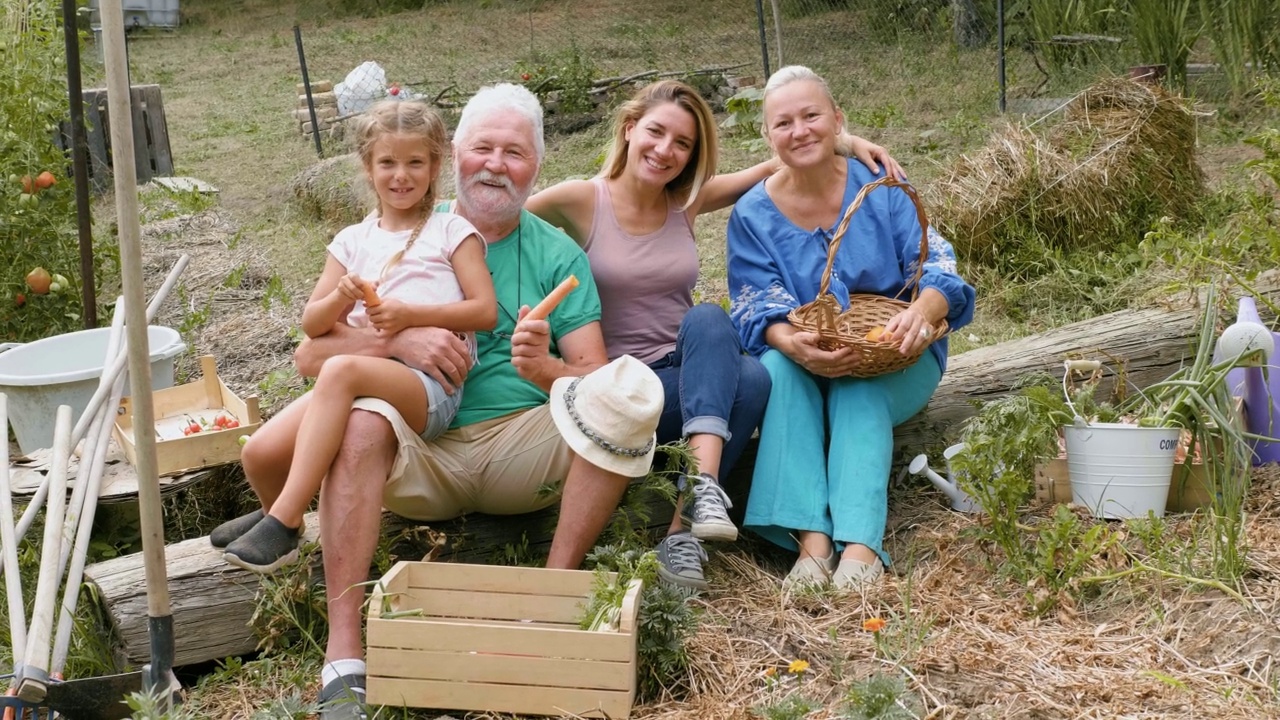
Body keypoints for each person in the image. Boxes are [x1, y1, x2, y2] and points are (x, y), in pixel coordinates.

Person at [213, 84, 655, 720]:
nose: (496, 164)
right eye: (483, 147)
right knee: (364, 418)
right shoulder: (409, 229)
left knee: (627, 397)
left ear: (537, 164)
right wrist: (402, 340)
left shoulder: (558, 255)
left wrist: (544, 367)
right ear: (456, 156)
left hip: (520, 445)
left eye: (515, 151)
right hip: (417, 449)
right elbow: (313, 357)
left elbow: (592, 378)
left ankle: (554, 596)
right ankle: (344, 654)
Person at [525, 79, 904, 590]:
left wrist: (845, 141)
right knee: (736, 358)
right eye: (656, 133)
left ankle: (683, 533)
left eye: (682, 144)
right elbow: (502, 224)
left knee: (730, 347)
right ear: (630, 127)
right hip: (620, 395)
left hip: (686, 382)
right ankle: (703, 487)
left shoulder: (684, 201)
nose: (665, 151)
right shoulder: (581, 199)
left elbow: (780, 161)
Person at [219, 100, 497, 574]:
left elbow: (484, 311)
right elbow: (312, 324)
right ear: (368, 168)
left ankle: (284, 520)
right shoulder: (353, 240)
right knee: (261, 453)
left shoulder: (452, 231)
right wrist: (340, 299)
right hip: (365, 377)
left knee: (341, 369)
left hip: (428, 386)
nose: (401, 175)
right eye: (387, 162)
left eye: (415, 162)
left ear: (434, 166)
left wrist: (411, 315)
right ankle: (279, 522)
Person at [726, 66, 975, 592]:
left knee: (856, 391)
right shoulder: (751, 213)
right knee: (775, 370)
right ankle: (810, 543)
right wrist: (791, 344)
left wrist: (923, 312)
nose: (800, 131)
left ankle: (860, 548)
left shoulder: (882, 185)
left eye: (812, 115)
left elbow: (939, 266)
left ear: (838, 121)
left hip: (896, 353)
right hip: (803, 355)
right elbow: (756, 307)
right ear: (768, 138)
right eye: (783, 123)